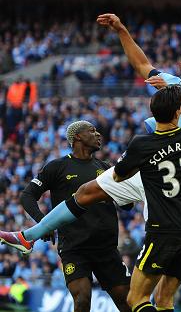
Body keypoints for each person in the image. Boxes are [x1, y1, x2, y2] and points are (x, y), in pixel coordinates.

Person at [0, 13, 181, 311]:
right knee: (87, 192)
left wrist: (172, 95)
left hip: (174, 165)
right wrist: (122, 31)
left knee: (146, 286)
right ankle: (28, 237)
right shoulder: (168, 81)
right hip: (154, 163)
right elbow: (142, 64)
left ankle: (30, 238)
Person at [113, 85, 181, 312]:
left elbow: (118, 175)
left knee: (136, 299)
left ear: (152, 113)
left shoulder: (142, 144)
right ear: (178, 112)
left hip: (163, 232)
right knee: (164, 300)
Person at [19, 120, 131, 312]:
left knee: (127, 302)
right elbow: (27, 195)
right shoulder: (57, 167)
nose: (98, 135)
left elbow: (127, 205)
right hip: (74, 248)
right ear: (77, 136)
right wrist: (43, 223)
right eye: (92, 131)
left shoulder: (105, 168)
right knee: (82, 300)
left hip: (106, 248)